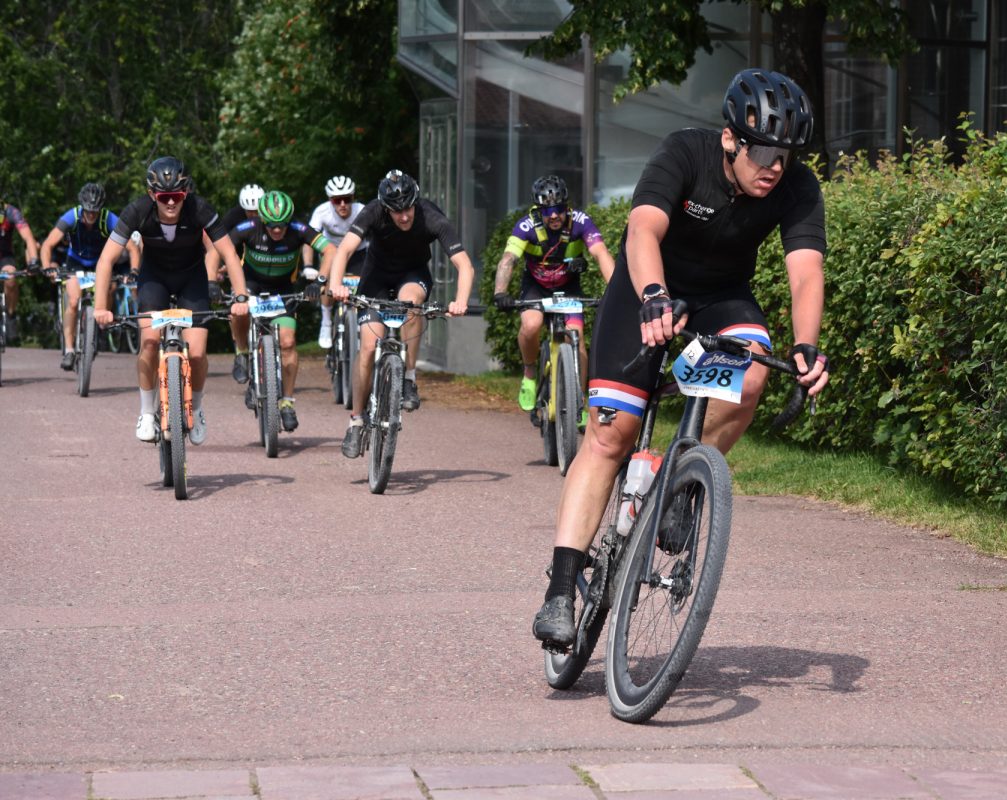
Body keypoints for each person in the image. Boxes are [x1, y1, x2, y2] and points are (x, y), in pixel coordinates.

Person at [531, 69, 831, 645]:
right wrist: (653, 295)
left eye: (786, 155)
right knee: (610, 436)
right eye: (763, 151)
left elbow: (805, 273)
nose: (774, 166)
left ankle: (679, 486)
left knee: (750, 375)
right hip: (645, 288)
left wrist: (806, 346)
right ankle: (561, 589)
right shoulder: (685, 152)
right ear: (730, 139)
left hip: (721, 296)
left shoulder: (796, 185)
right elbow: (643, 229)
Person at [93, 156, 250, 444]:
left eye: (176, 196)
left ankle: (197, 408)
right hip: (154, 278)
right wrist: (101, 307)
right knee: (150, 343)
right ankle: (146, 413)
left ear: (185, 192)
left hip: (192, 278)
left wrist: (240, 296)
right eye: (163, 196)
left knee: (198, 354)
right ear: (152, 194)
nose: (170, 203)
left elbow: (228, 253)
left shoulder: (200, 209)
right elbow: (106, 260)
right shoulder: (137, 210)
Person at [328, 170, 475, 458]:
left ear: (416, 202)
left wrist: (460, 301)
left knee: (411, 304)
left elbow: (464, 265)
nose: (404, 216)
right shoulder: (373, 211)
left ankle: (408, 377)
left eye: (408, 209)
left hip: (413, 274)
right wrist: (336, 285)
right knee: (367, 347)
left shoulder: (431, 217)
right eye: (397, 211)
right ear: (386, 208)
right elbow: (344, 250)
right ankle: (356, 420)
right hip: (376, 277)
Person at [211, 189, 333, 432]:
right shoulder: (248, 228)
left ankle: (287, 401)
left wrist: (319, 281)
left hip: (283, 289)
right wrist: (212, 282)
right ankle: (242, 352)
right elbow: (217, 250)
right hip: (251, 285)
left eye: (282, 225)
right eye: (271, 225)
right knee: (238, 310)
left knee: (288, 343)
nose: (277, 230)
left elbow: (330, 250)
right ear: (262, 220)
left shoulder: (298, 229)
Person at [492, 175, 615, 416]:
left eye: (559, 208)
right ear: (539, 210)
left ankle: (579, 400)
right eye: (548, 211)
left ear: (567, 205)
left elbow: (601, 253)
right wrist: (500, 292)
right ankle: (529, 373)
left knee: (576, 337)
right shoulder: (526, 226)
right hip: (535, 286)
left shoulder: (581, 222)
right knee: (531, 325)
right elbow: (508, 259)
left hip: (568, 287)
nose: (555, 215)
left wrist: (615, 290)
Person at [40, 183, 142, 370]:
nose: (92, 215)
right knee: (73, 300)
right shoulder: (71, 216)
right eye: (88, 211)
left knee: (110, 288)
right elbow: (48, 244)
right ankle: (69, 350)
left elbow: (132, 248)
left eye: (95, 211)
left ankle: (100, 327)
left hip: (100, 263)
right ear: (82, 207)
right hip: (76, 262)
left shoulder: (109, 218)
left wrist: (134, 271)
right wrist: (47, 267)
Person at [304, 175, 368, 348]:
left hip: (357, 254)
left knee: (363, 288)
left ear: (353, 198)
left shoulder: (362, 211)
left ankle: (359, 323)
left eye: (347, 199)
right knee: (326, 284)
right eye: (337, 200)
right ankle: (326, 322)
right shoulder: (322, 212)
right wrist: (308, 266)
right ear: (330, 200)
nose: (342, 204)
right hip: (331, 254)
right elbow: (308, 240)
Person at [0, 193, 41, 343]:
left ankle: (10, 315)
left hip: (4, 256)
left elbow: (28, 238)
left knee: (11, 279)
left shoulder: (12, 212)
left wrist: (33, 261)